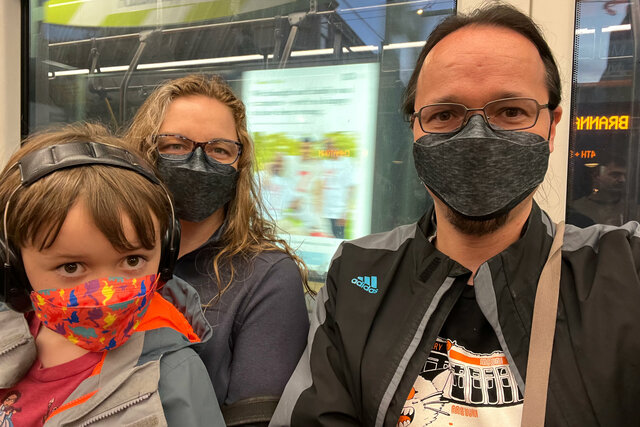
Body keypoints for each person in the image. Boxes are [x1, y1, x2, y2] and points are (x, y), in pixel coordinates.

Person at [271, 4, 640, 427]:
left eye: (511, 111)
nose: (478, 138)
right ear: (415, 129)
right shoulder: (356, 273)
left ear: (552, 127)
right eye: (445, 114)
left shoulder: (624, 272)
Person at [0, 123, 224, 426]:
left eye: (133, 260)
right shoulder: (7, 333)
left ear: (165, 255)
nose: (107, 292)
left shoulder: (173, 375)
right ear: (13, 267)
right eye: (71, 267)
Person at [125, 74, 310, 424]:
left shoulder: (266, 275)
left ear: (238, 163)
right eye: (176, 145)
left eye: (219, 150)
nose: (198, 161)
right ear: (145, 150)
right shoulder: (111, 260)